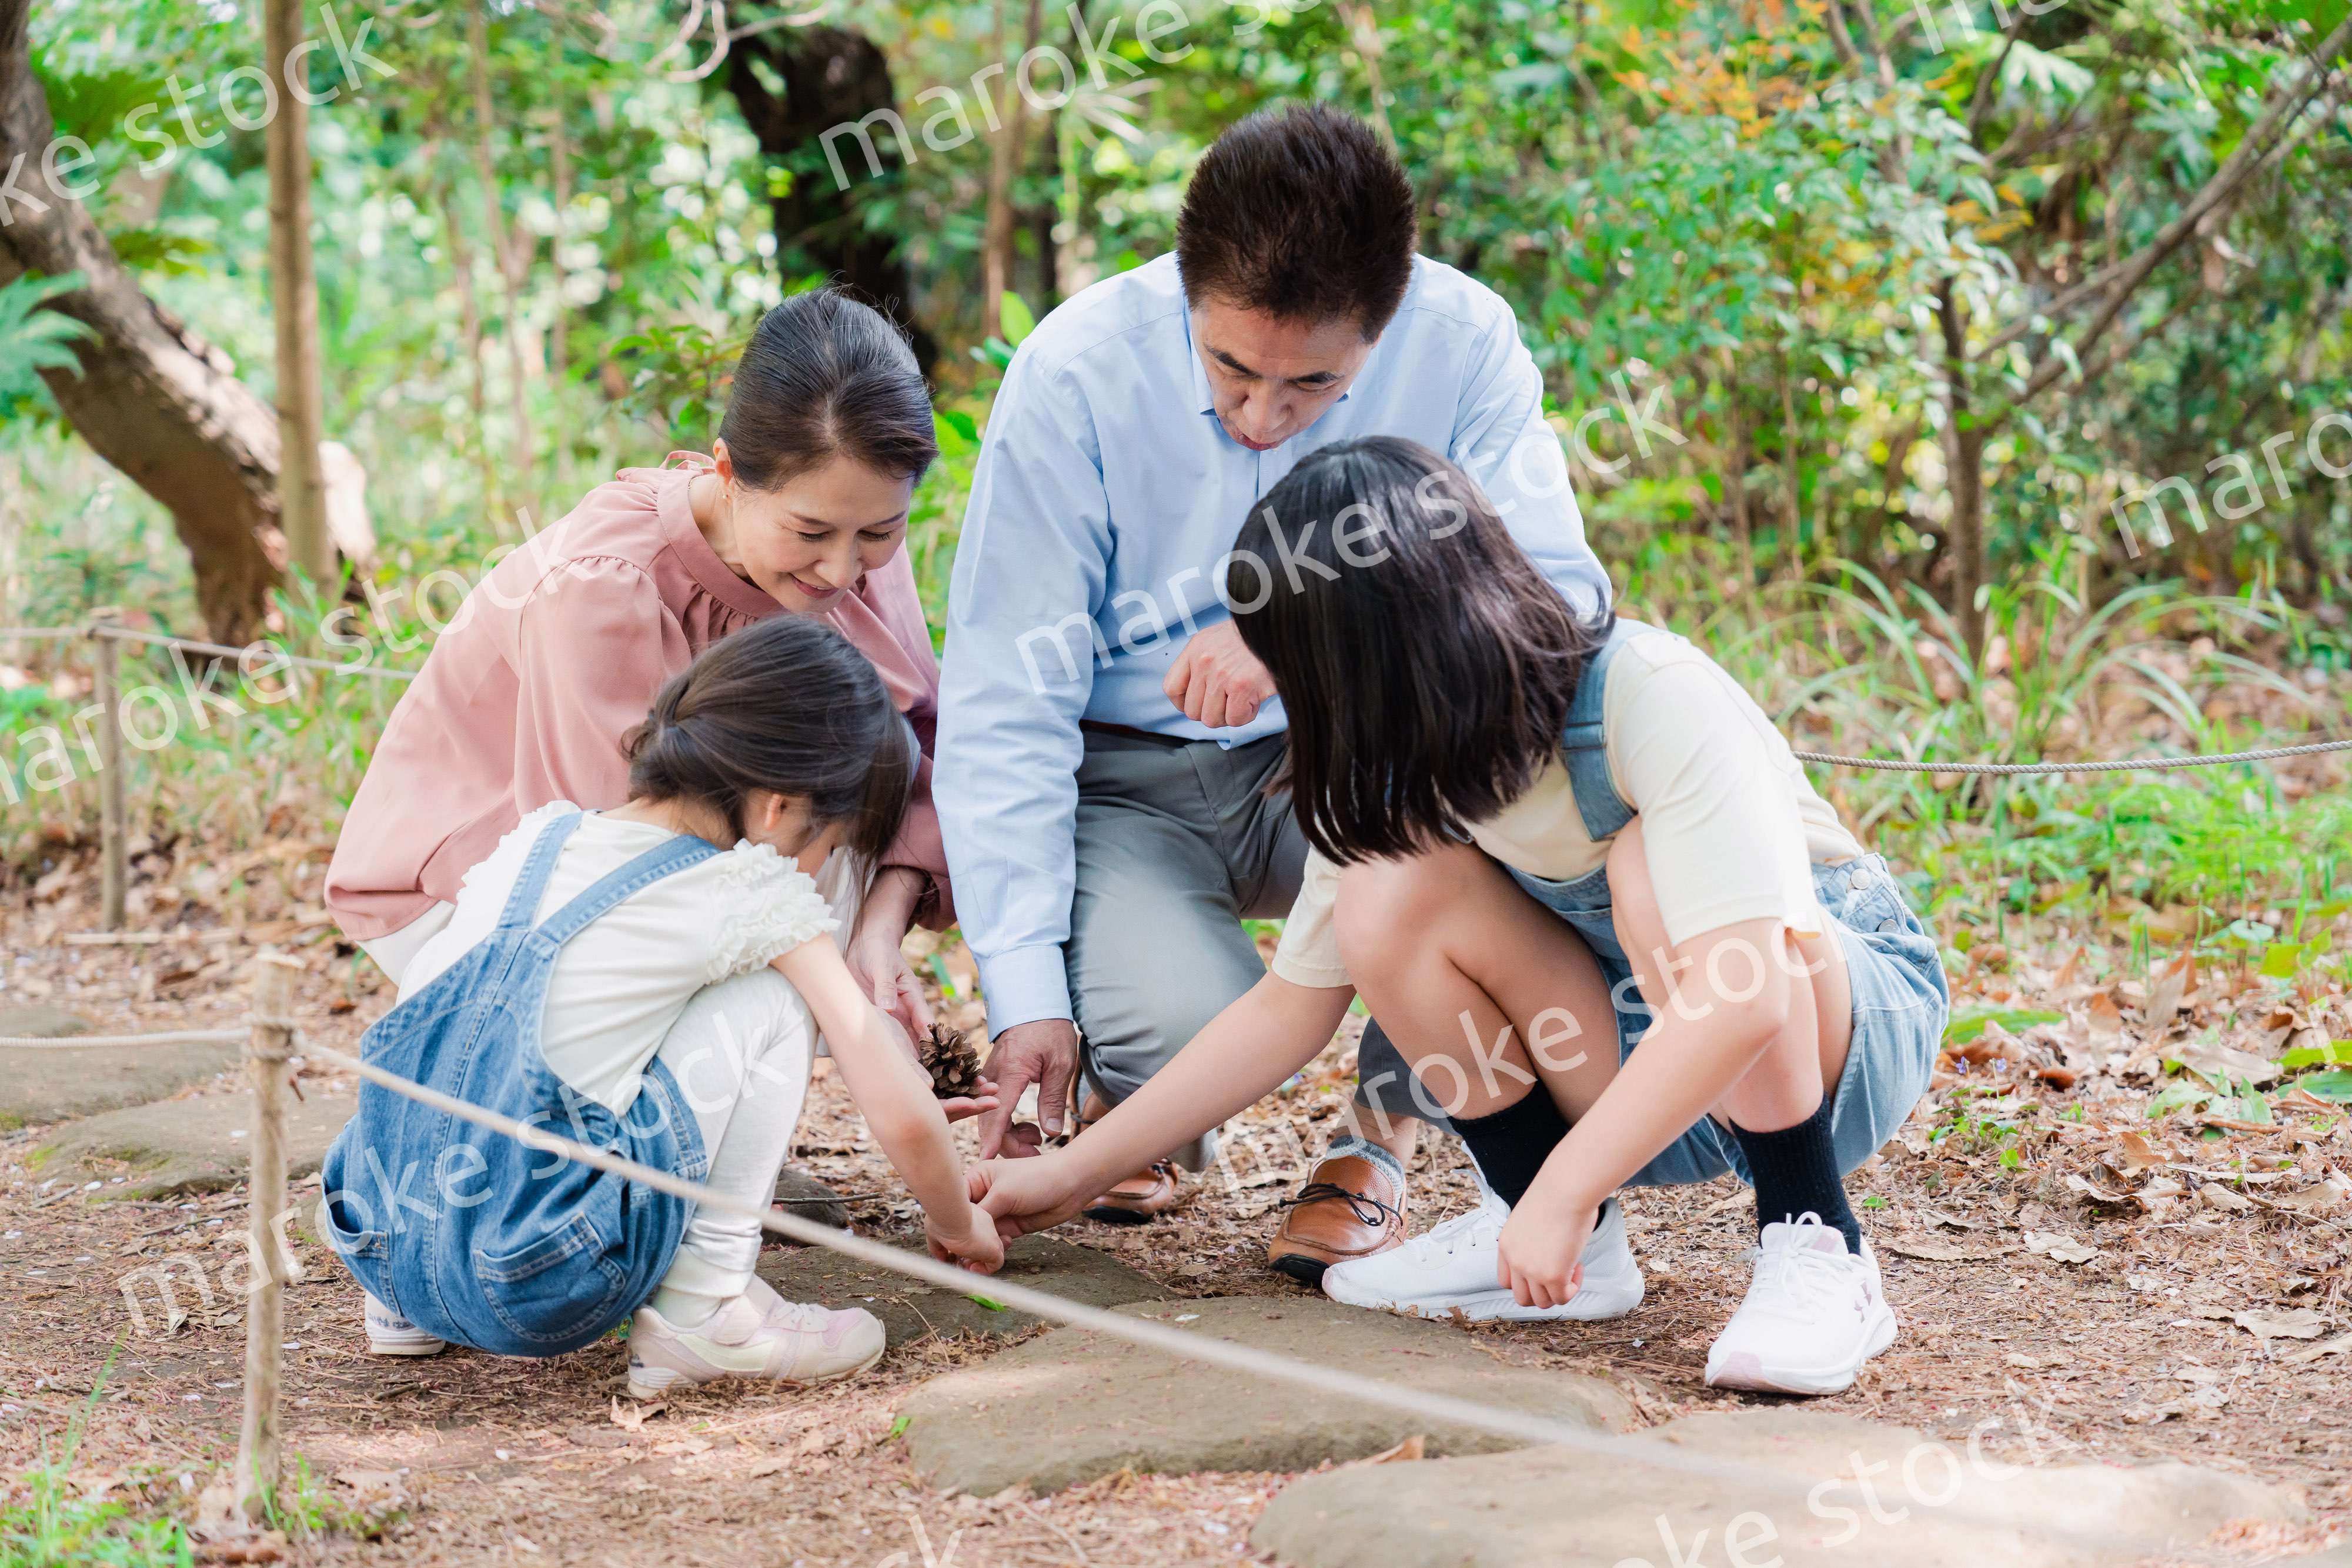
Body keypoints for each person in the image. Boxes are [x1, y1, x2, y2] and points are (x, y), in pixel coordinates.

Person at [974, 439, 1947, 1396]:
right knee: (1387, 893)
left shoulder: (1648, 690)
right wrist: (1061, 1182)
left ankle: (1816, 1241)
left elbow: (1742, 994)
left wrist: (1568, 1190)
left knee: (1649, 867)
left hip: (1834, 1042)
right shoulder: (1399, 768)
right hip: (1646, 1065)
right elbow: (1286, 1012)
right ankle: (1561, 1247)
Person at [936, 105, 1611, 1276]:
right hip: (1129, 778)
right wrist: (1026, 1000)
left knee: (1529, 820)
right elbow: (1003, 692)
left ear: (1385, 324)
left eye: (1311, 385)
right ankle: (1124, 1088)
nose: (1260, 417)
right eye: (1230, 368)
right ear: (1182, 292)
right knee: (1176, 1025)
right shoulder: (1073, 373)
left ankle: (1376, 1139)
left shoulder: (1464, 343)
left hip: (1366, 755)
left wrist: (1298, 624)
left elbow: (1560, 600)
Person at [320, 616, 1004, 1395]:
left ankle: (405, 1311)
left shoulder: (537, 838)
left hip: (381, 1240)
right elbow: (901, 1113)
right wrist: (956, 1221)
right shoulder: (751, 890)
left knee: (486, 1022)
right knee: (774, 997)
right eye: (832, 842)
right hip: (537, 1277)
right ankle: (707, 1315)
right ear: (781, 809)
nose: (818, 869)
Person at [326, 287, 953, 1045]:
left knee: (828, 867)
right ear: (727, 473)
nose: (843, 567)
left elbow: (918, 761)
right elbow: (613, 866)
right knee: (771, 998)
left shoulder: (849, 527)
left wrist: (877, 934)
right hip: (475, 893)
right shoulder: (602, 588)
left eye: (880, 532)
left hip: (730, 850)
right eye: (811, 531)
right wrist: (849, 1014)